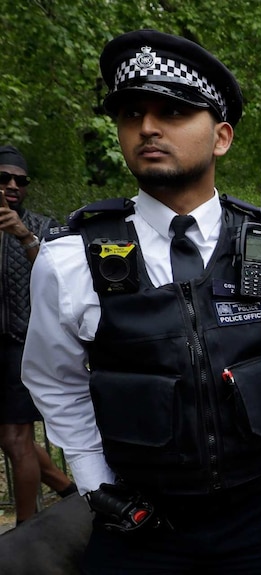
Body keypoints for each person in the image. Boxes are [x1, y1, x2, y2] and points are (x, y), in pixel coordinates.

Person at [22, 29, 261, 573]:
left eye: (174, 112)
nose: (148, 128)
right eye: (131, 114)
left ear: (221, 137)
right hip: (141, 527)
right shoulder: (69, 262)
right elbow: (53, 378)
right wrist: (93, 483)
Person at [0, 145, 77, 525]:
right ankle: (68, 489)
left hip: (22, 344)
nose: (13, 185)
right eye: (4, 178)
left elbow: (61, 279)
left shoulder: (43, 227)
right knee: (13, 441)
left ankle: (26, 530)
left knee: (17, 440)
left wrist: (23, 234)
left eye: (20, 180)